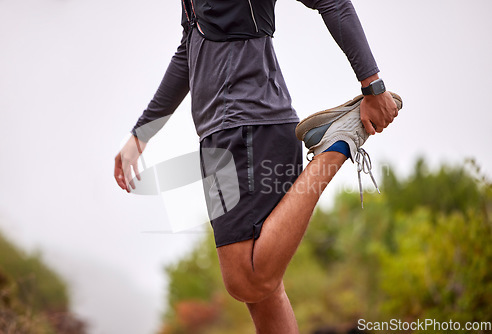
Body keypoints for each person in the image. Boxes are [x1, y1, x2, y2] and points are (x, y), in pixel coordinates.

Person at [114, 0, 401, 332]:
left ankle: (338, 144)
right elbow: (188, 50)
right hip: (217, 135)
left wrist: (372, 86)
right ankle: (337, 141)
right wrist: (142, 133)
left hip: (249, 124)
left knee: (247, 281)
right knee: (262, 293)